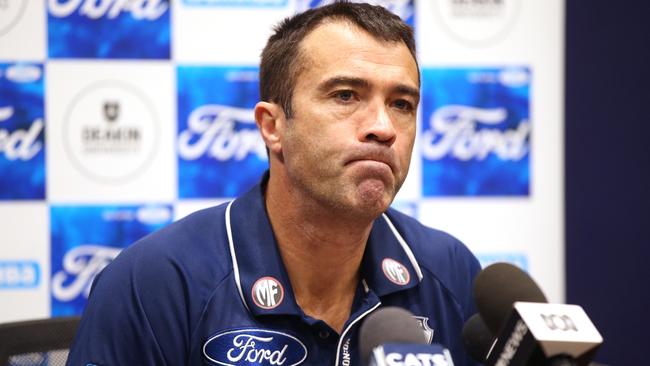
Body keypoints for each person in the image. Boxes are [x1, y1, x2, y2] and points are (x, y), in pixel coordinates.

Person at [66, 2, 481, 365]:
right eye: (345, 96)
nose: (382, 127)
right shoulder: (154, 282)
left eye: (402, 104)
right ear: (273, 126)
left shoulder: (450, 272)